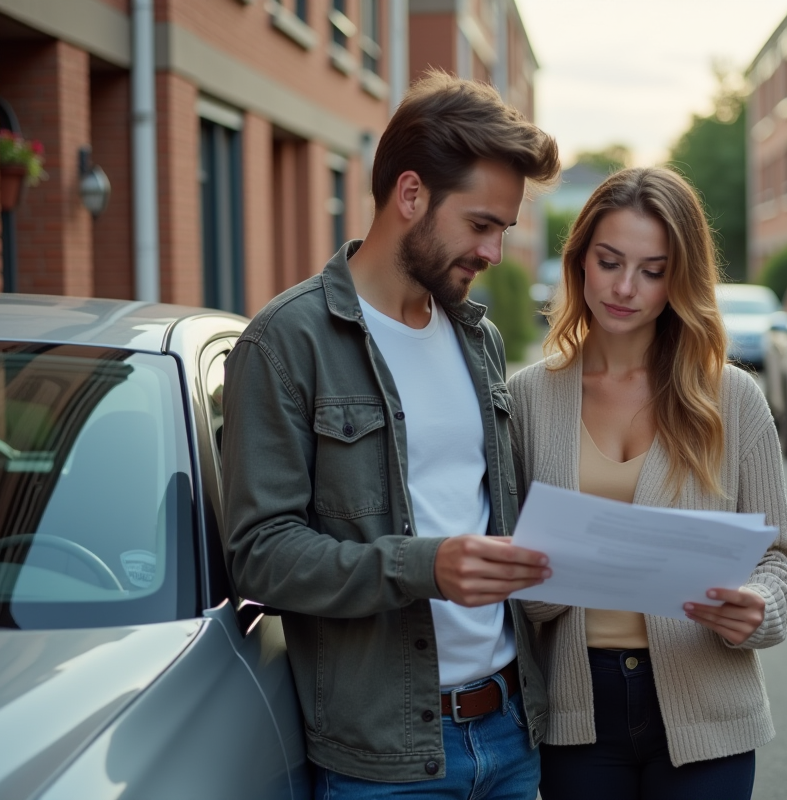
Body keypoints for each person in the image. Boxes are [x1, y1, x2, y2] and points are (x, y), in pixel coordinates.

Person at [220, 71, 560, 799]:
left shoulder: (480, 339)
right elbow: (259, 555)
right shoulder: (286, 343)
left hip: (510, 732)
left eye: (502, 229)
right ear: (410, 195)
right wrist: (422, 567)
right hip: (385, 759)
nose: (494, 252)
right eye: (482, 225)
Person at [508, 167, 787, 800]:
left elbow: (777, 564)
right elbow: (502, 571)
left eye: (652, 269)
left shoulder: (733, 398)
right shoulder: (526, 399)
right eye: (609, 261)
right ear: (580, 259)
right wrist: (544, 580)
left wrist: (757, 608)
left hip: (708, 707)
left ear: (680, 278)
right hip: (574, 712)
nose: (624, 287)